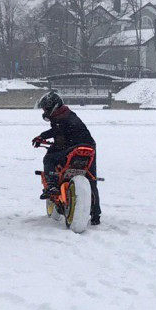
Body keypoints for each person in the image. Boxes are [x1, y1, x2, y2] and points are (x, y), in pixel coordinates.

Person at [32, 91, 101, 225]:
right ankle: (96, 214)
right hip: (90, 147)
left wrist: (42, 137)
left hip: (72, 148)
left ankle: (52, 186)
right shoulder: (68, 115)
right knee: (91, 179)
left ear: (53, 106)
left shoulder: (60, 117)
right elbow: (62, 132)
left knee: (49, 159)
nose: (45, 111)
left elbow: (58, 132)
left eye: (46, 108)